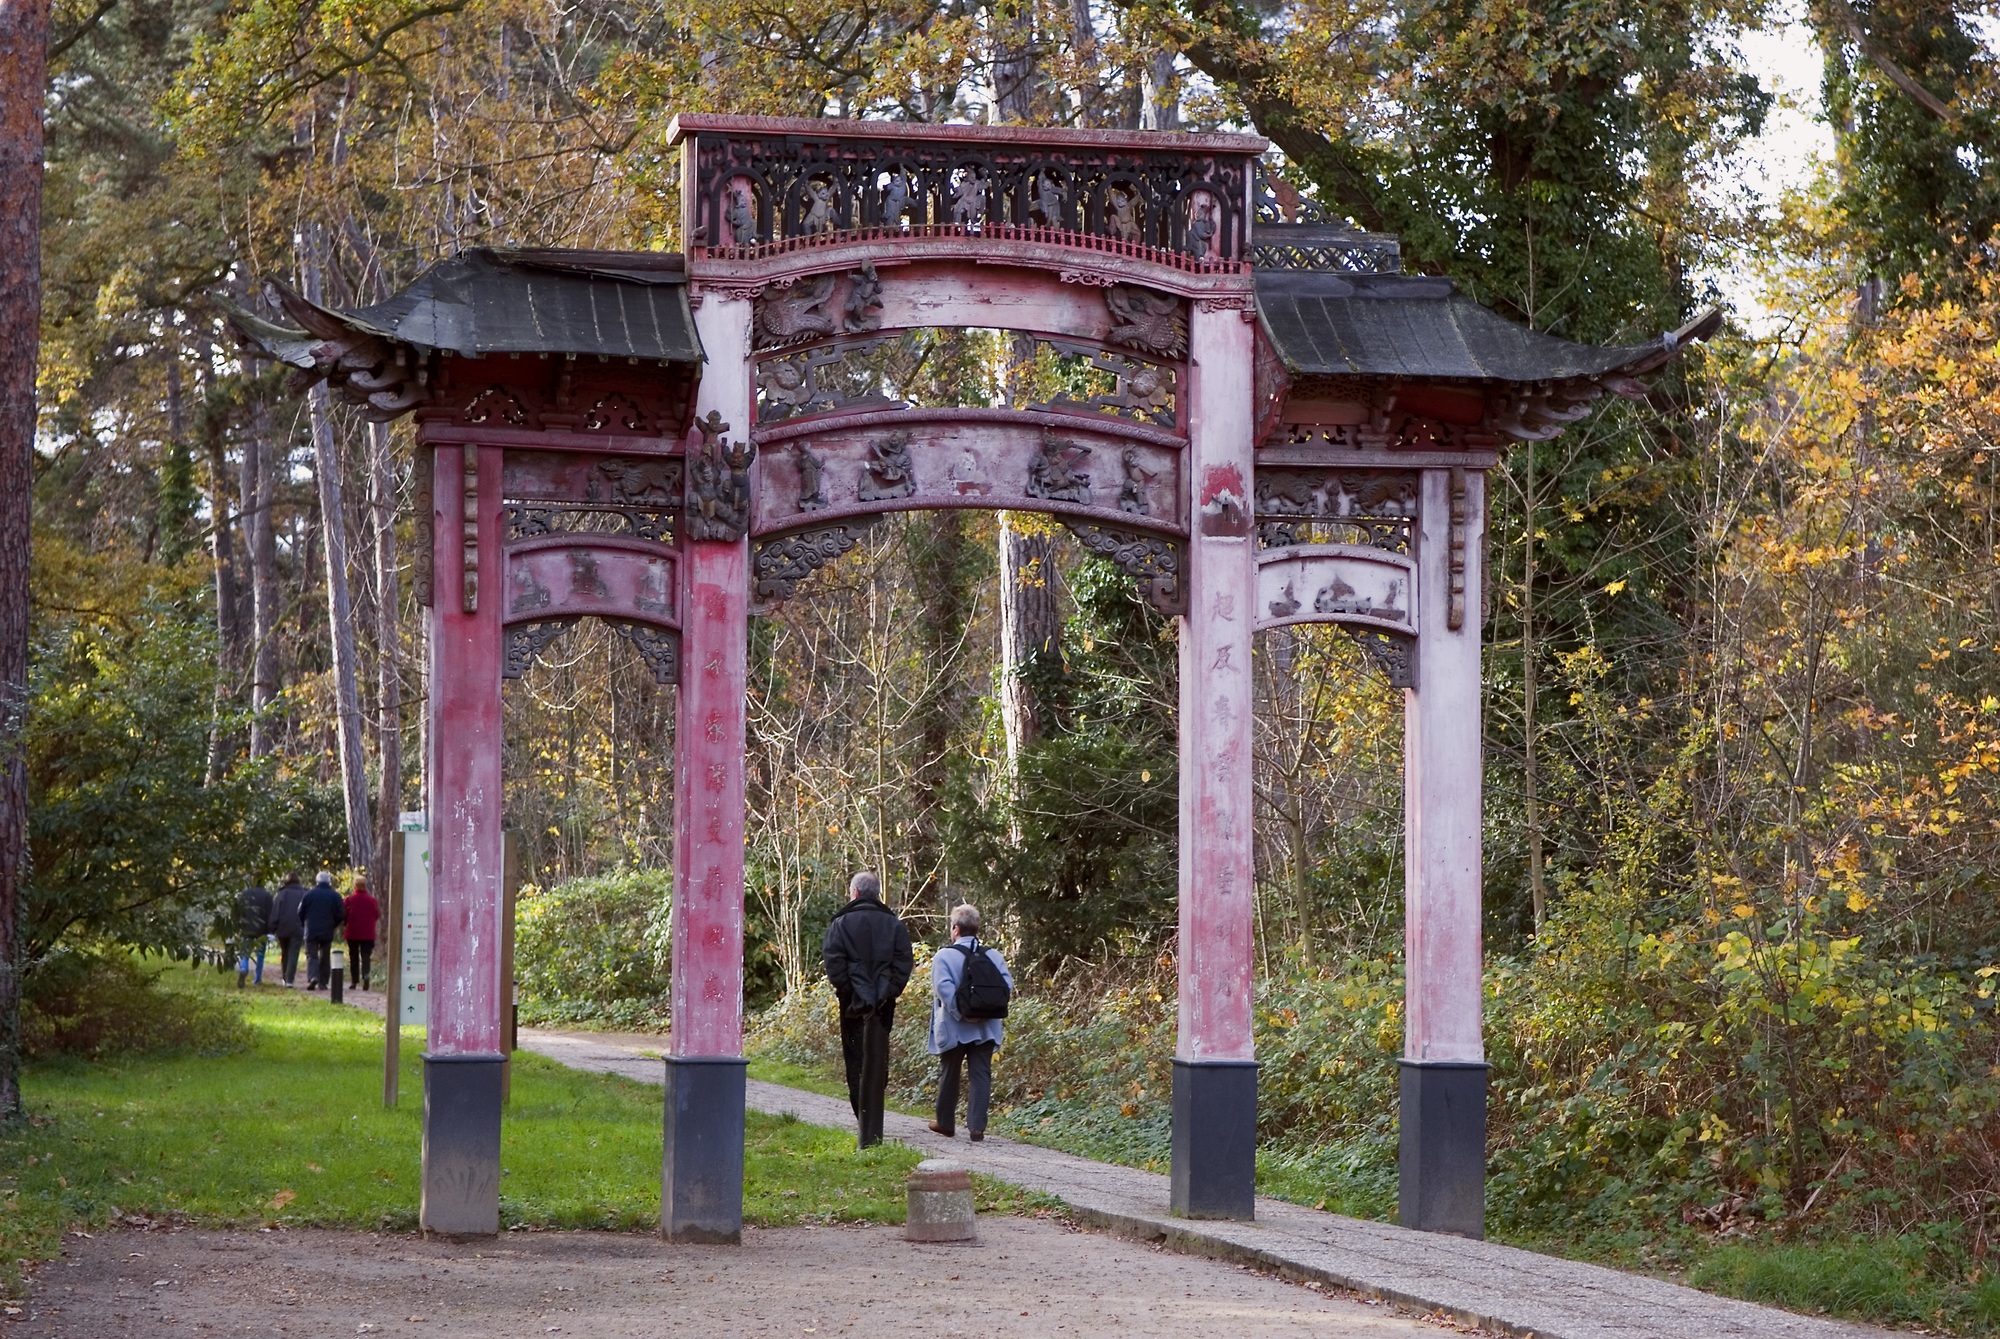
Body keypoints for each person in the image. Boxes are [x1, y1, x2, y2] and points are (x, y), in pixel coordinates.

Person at [821, 870, 912, 1148]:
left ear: (855, 893)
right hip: (884, 1006)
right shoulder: (895, 925)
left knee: (855, 1058)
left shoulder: (841, 924)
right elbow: (903, 964)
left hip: (851, 1006)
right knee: (878, 1057)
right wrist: (888, 994)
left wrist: (848, 993)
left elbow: (834, 963)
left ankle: (864, 1119)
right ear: (878, 893)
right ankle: (872, 1117)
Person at [928, 904, 1014, 1142]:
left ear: (955, 929)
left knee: (950, 1072)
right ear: (976, 928)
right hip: (987, 1027)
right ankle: (976, 1128)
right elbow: (1007, 987)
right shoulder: (994, 956)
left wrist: (962, 1014)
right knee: (981, 1075)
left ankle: (945, 1123)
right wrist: (983, 1013)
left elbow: (943, 989)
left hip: (954, 1027)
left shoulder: (944, 956)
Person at [298, 871, 347, 991]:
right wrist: (334, 924)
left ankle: (313, 976)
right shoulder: (335, 896)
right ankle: (323, 982)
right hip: (327, 930)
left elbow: (300, 911)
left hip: (311, 930)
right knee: (325, 956)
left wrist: (304, 924)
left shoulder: (309, 894)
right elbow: (342, 913)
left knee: (312, 955)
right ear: (329, 882)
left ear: (317, 881)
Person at [271, 873, 307, 987]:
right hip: (298, 927)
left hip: (283, 927)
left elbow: (276, 912)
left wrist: (272, 927)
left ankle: (285, 977)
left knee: (285, 952)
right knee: (293, 953)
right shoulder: (304, 893)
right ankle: (290, 980)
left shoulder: (281, 894)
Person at [343, 877, 380, 991]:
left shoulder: (349, 900)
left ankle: (354, 981)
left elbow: (344, 914)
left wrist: (346, 923)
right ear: (365, 885)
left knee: (353, 956)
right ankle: (366, 975)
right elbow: (376, 914)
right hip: (368, 933)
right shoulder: (372, 900)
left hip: (353, 932)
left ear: (354, 886)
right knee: (366, 956)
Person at [235, 880, 274, 988]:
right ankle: (257, 979)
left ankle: (243, 968)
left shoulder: (244, 894)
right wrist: (270, 931)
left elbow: (238, 912)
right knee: (260, 956)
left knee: (244, 953)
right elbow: (271, 914)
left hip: (246, 929)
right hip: (262, 930)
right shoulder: (267, 895)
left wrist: (239, 925)